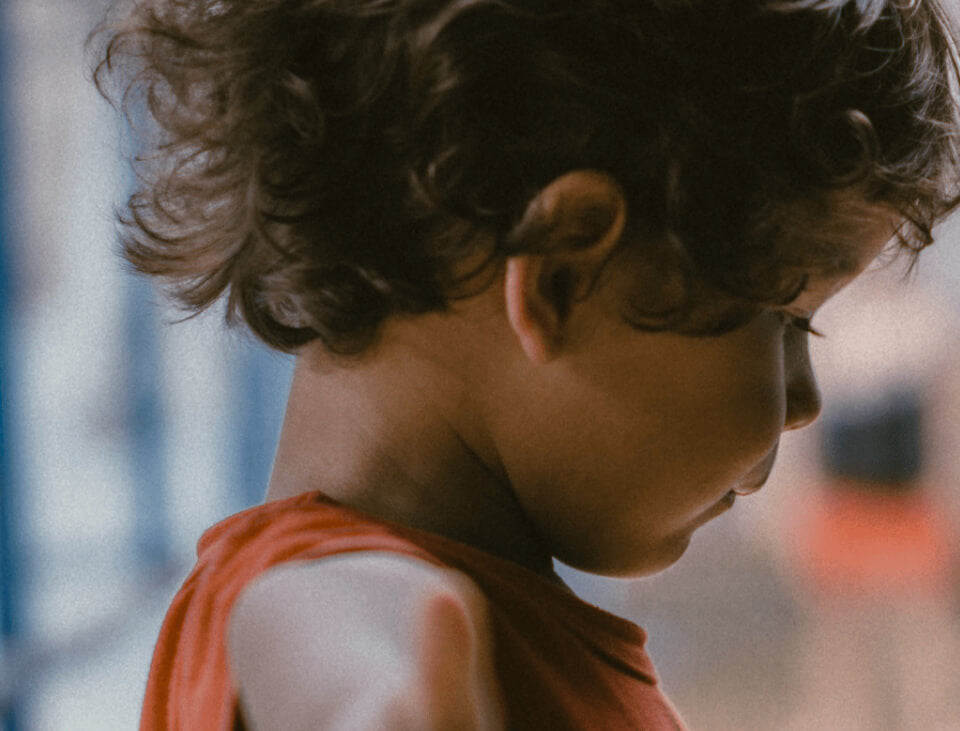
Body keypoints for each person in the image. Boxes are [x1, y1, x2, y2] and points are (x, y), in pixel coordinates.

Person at [91, 0, 960, 728]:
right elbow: (318, 624)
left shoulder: (503, 617)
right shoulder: (326, 594)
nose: (804, 401)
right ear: (563, 272)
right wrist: (370, 701)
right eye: (786, 319)